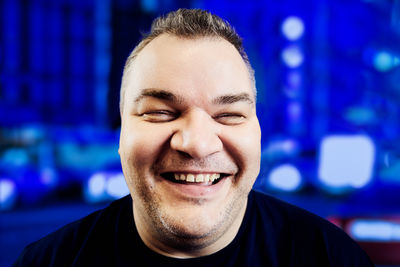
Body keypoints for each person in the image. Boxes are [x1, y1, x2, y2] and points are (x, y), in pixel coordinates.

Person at [14, 8, 373, 267]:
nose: (198, 143)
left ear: (258, 135)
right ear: (121, 134)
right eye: (159, 113)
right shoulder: (47, 261)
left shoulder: (333, 257)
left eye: (229, 115)